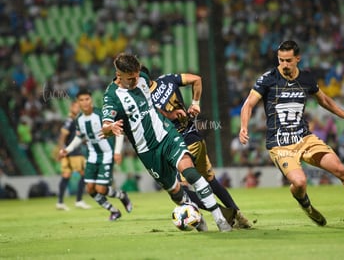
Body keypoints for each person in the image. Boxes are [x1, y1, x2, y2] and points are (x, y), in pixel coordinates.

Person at [239, 40, 344, 225]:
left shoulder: (306, 78)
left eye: (288, 60)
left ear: (298, 58)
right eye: (281, 60)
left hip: (305, 138)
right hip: (280, 144)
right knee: (300, 183)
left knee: (340, 168)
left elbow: (325, 101)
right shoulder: (268, 79)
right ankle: (307, 207)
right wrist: (243, 127)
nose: (284, 65)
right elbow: (248, 104)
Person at [100, 53, 232, 232]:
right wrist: (111, 128)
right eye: (130, 78)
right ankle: (196, 219)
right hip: (148, 151)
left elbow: (152, 106)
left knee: (190, 172)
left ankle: (220, 220)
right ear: (118, 74)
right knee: (176, 192)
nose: (135, 81)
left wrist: (169, 115)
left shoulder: (142, 79)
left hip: (167, 135)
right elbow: (105, 127)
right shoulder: (111, 96)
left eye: (137, 76)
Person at [146, 67, 251, 229]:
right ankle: (238, 215)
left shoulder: (146, 100)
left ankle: (225, 215)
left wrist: (172, 115)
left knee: (180, 189)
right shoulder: (166, 79)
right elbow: (196, 79)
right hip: (195, 137)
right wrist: (195, 104)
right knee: (210, 180)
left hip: (181, 143)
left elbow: (167, 116)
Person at [59, 89, 132, 221]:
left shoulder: (101, 115)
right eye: (81, 100)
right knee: (90, 189)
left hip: (107, 154)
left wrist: (117, 152)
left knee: (101, 189)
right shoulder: (79, 119)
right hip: (92, 156)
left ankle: (122, 195)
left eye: (87, 99)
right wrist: (67, 150)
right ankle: (114, 211)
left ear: (91, 100)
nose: (85, 102)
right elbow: (79, 137)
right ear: (78, 102)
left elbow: (118, 131)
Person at [55, 100, 91, 210]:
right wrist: (61, 150)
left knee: (66, 176)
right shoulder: (70, 120)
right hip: (73, 153)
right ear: (71, 108)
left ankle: (60, 202)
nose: (78, 109)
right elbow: (62, 136)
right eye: (76, 107)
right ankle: (79, 200)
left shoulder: (76, 120)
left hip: (70, 152)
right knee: (85, 174)